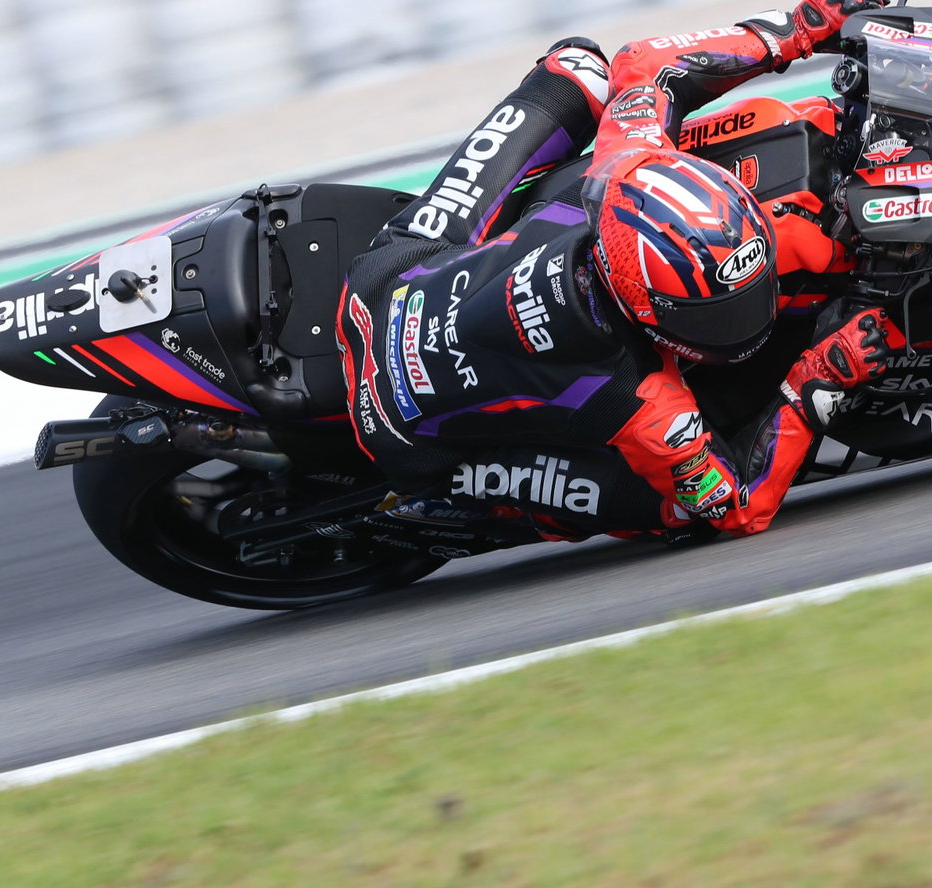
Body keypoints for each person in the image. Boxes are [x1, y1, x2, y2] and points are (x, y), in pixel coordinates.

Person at [336, 0, 899, 542]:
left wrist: (804, 25)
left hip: (387, 282)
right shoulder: (646, 402)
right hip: (397, 425)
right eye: (719, 317)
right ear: (648, 314)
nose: (746, 320)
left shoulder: (627, 156)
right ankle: (482, 504)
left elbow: (645, 64)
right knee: (680, 509)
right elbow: (738, 506)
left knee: (578, 68)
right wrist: (813, 380)